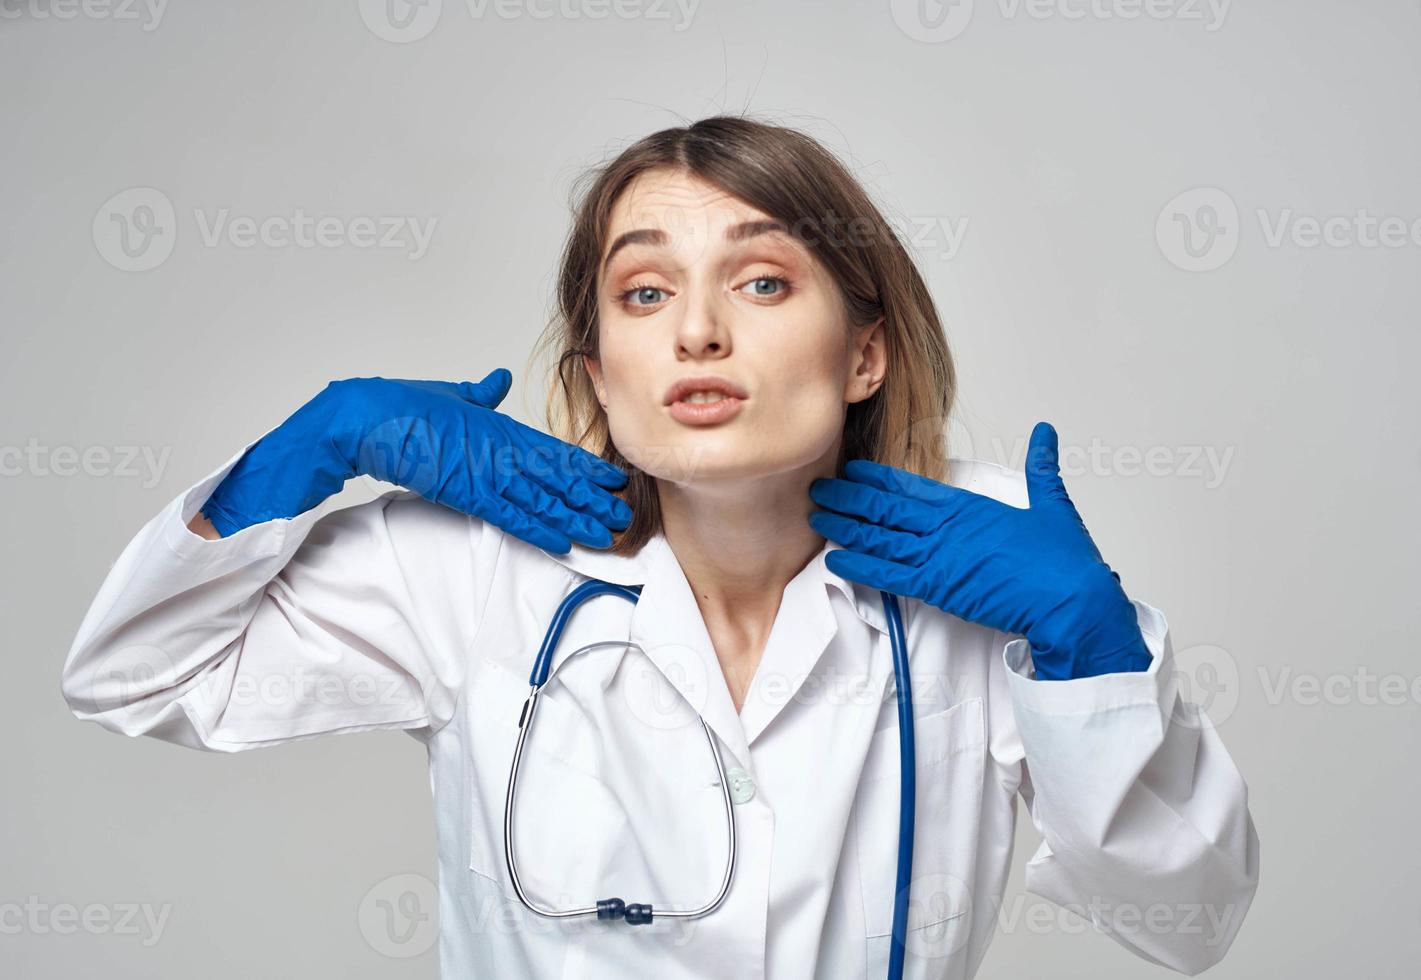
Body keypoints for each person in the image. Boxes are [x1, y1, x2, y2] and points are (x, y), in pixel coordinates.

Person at [61, 115, 1259, 979]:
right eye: (642, 294)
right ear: (597, 372)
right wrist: (309, 449)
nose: (694, 330)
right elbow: (130, 674)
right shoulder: (469, 565)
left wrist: (1092, 653)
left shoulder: (986, 572)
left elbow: (1185, 921)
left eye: (760, 280)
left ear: (863, 355)